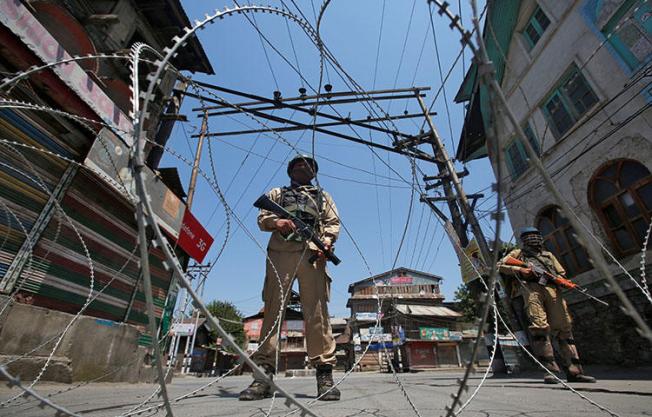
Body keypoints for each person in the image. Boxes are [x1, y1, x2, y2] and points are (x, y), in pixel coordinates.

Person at [239, 155, 341, 401]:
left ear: (314, 172)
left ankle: (324, 374)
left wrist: (326, 241)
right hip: (280, 255)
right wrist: (279, 221)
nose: (301, 167)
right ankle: (263, 376)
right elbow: (262, 218)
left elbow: (332, 222)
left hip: (312, 256)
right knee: (273, 311)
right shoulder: (276, 193)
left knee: (317, 314)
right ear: (289, 171)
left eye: (307, 165)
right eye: (296, 164)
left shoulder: (322, 196)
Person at [498, 227, 596, 384]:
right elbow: (501, 265)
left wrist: (562, 281)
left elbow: (561, 273)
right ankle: (550, 371)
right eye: (529, 236)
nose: (533, 239)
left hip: (552, 290)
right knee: (540, 327)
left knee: (564, 328)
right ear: (524, 240)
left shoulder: (548, 255)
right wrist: (522, 270)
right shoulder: (518, 254)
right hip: (532, 290)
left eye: (536, 236)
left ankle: (574, 371)